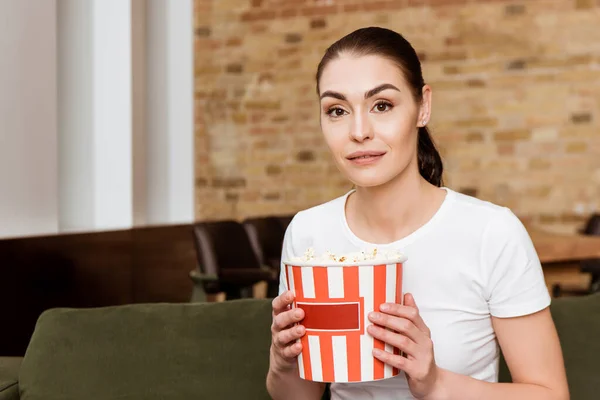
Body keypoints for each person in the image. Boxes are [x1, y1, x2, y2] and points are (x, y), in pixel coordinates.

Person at [266, 27, 569, 400]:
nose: (359, 131)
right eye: (337, 111)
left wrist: (435, 382)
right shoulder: (309, 233)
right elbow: (299, 397)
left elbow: (551, 395)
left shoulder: (492, 232)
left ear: (422, 106)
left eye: (382, 105)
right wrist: (283, 363)